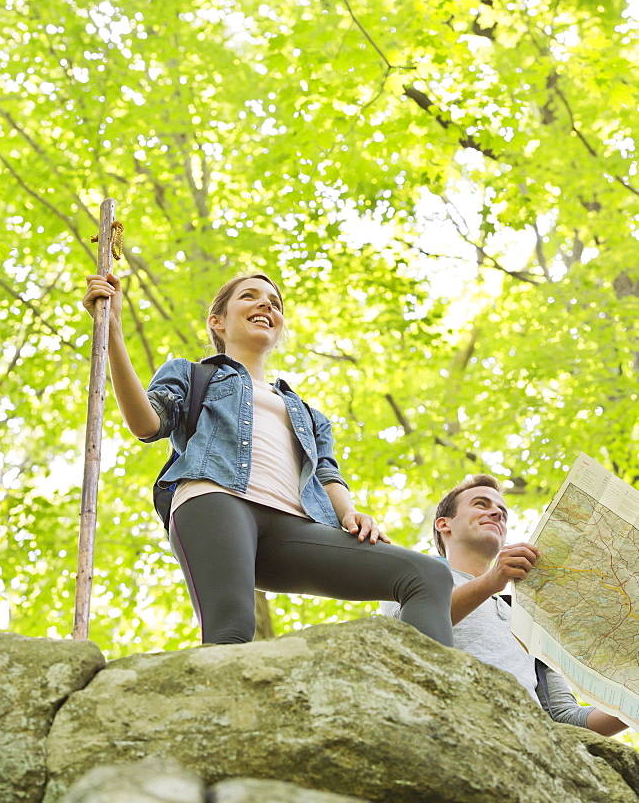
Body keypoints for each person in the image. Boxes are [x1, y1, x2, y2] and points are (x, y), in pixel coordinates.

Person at [83, 270, 454, 647]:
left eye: (274, 303)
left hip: (294, 525)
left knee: (428, 575)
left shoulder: (308, 414)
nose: (265, 304)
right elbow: (146, 423)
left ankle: (438, 700)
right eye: (249, 296)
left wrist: (349, 513)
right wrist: (113, 330)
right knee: (232, 631)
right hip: (215, 503)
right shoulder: (193, 374)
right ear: (218, 321)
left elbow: (326, 472)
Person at [381, 474, 627, 735]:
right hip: (446, 731)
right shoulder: (410, 574)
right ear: (444, 524)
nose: (497, 514)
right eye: (481, 504)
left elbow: (567, 719)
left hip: (523, 750)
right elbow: (407, 635)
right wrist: (492, 581)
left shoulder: (529, 616)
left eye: (502, 511)